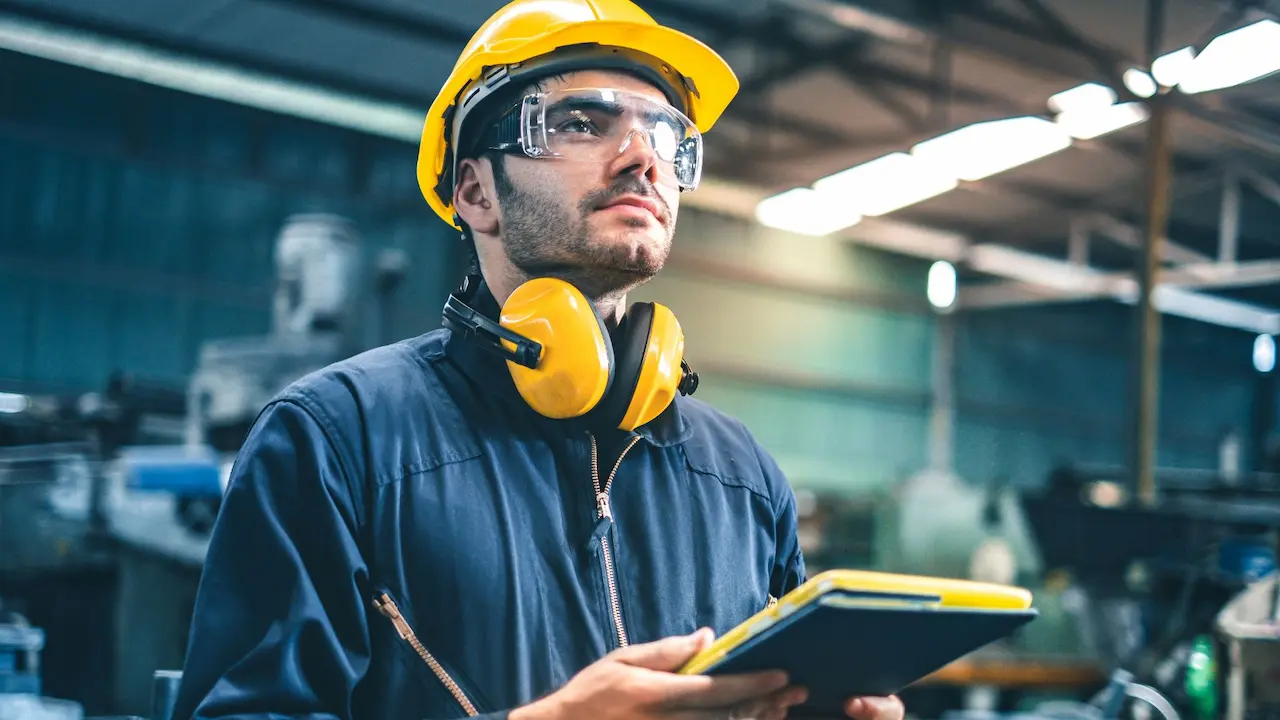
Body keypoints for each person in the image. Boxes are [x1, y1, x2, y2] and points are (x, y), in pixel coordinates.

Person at [171, 2, 907, 719]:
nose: (644, 158)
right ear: (475, 191)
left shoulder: (742, 476)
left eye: (666, 135)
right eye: (584, 123)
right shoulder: (335, 439)